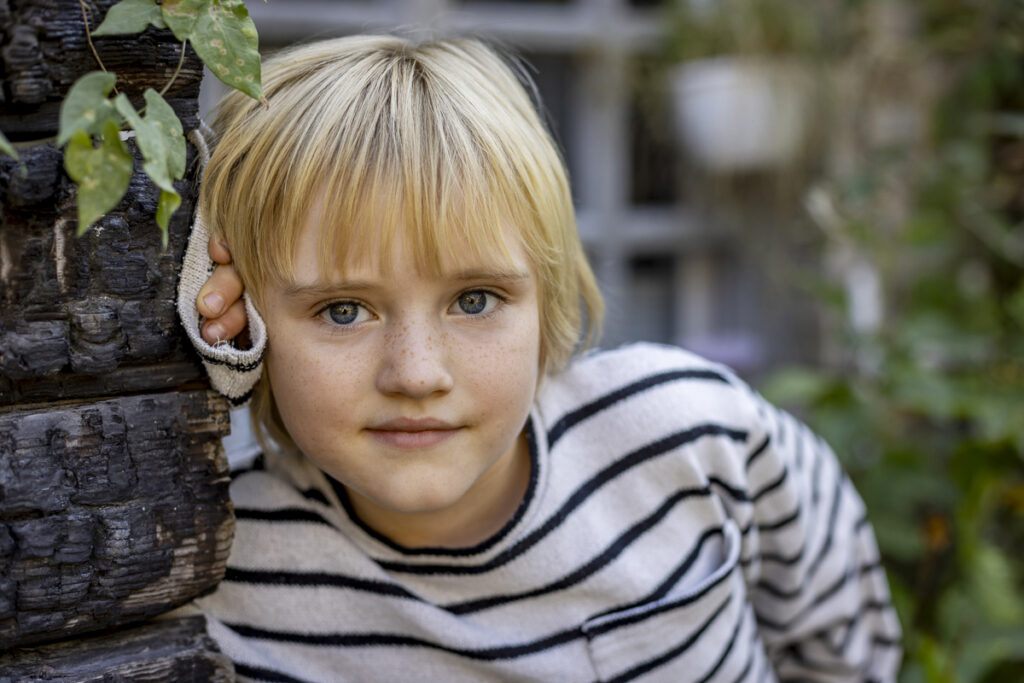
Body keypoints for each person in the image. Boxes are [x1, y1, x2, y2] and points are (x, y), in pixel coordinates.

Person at [176, 34, 902, 682]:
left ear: (547, 294)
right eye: (343, 311)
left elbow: (843, 640)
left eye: (475, 299)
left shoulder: (693, 440)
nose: (417, 374)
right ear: (245, 320)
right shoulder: (218, 561)